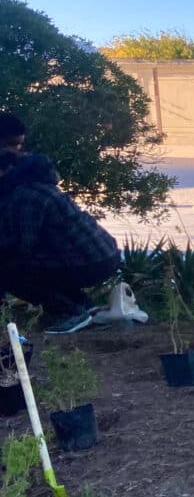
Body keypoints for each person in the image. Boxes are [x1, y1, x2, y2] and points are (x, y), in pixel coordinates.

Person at [0, 116, 120, 334]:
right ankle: (85, 306)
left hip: (91, 260)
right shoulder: (32, 179)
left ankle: (70, 312)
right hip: (102, 254)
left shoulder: (26, 194)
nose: (16, 150)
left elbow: (21, 249)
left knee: (10, 270)